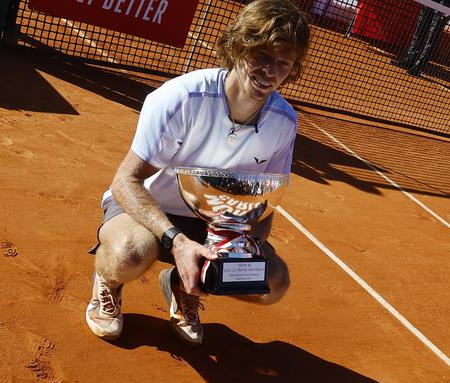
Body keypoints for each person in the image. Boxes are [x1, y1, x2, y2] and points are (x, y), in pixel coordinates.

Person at [85, 0, 308, 346]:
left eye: (283, 63)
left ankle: (180, 286)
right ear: (237, 48)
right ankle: (107, 282)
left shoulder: (284, 122)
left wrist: (242, 247)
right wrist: (176, 241)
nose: (270, 71)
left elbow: (262, 203)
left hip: (215, 222)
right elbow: (125, 181)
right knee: (129, 253)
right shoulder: (182, 98)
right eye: (261, 56)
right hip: (146, 211)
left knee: (272, 282)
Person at [397, 0, 450, 75]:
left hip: (441, 11)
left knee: (431, 41)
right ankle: (408, 61)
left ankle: (418, 67)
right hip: (427, 6)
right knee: (418, 33)